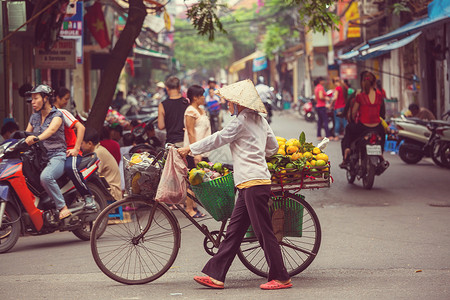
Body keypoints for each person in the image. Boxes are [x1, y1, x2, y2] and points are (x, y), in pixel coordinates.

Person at [178, 79, 292, 290]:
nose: (227, 105)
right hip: (251, 182)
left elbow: (218, 139)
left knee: (263, 232)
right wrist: (256, 154)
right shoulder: (260, 120)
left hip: (253, 183)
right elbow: (273, 148)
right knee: (234, 232)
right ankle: (216, 275)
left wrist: (189, 148)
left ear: (239, 103)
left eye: (229, 102)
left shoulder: (240, 121)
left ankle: (281, 277)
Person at [24, 85, 70, 219]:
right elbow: (27, 134)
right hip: (39, 158)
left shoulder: (57, 115)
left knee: (46, 177)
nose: (32, 102)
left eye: (35, 98)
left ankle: (63, 207)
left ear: (45, 98)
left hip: (57, 156)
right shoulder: (34, 117)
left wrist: (37, 138)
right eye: (31, 99)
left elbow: (50, 131)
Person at [54, 87, 96, 210]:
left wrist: (76, 149)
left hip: (70, 150)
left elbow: (81, 127)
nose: (66, 101)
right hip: (56, 153)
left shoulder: (62, 113)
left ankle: (87, 196)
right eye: (66, 99)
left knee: (70, 167)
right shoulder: (40, 117)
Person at [340, 71, 386, 167]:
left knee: (349, 129)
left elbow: (353, 113)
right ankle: (381, 153)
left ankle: (347, 150)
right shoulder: (379, 96)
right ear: (374, 83)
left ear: (362, 82)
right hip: (377, 127)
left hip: (362, 127)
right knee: (382, 134)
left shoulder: (359, 96)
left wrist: (353, 119)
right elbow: (382, 112)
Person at [183, 85, 211, 218]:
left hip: (203, 150)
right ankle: (189, 208)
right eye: (202, 95)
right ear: (195, 97)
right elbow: (190, 132)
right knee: (192, 180)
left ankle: (194, 207)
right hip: (193, 152)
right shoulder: (190, 111)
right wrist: (195, 152)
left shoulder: (201, 110)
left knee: (199, 180)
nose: (204, 98)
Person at [81, 128, 122, 201]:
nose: (80, 146)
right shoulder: (98, 150)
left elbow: (92, 173)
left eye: (82, 143)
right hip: (108, 189)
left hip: (112, 191)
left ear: (90, 144)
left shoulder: (98, 153)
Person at [157, 76, 190, 147]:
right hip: (186, 142)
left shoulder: (162, 105)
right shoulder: (186, 102)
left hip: (172, 143)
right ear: (179, 87)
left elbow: (161, 126)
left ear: (167, 88)